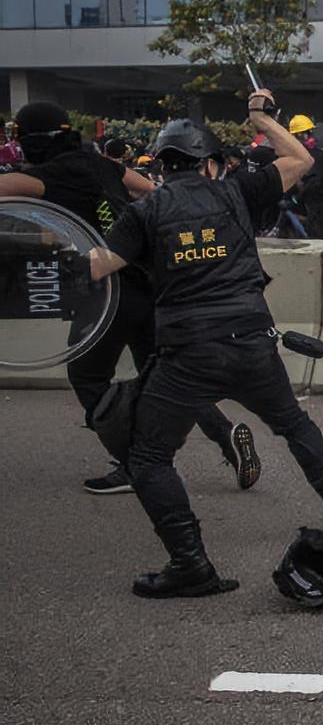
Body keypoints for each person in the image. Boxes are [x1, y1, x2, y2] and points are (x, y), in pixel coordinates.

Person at [87, 90, 323, 598]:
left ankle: (190, 564)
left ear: (164, 166)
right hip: (251, 342)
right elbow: (301, 158)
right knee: (292, 424)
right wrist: (260, 117)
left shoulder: (146, 211)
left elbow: (100, 266)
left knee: (149, 458)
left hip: (186, 354)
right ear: (211, 164)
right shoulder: (238, 190)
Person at [0, 101, 259, 494]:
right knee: (166, 377)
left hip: (103, 292)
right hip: (148, 283)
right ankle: (225, 437)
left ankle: (133, 463)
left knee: (87, 376)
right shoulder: (105, 165)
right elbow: (154, 192)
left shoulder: (47, 176)